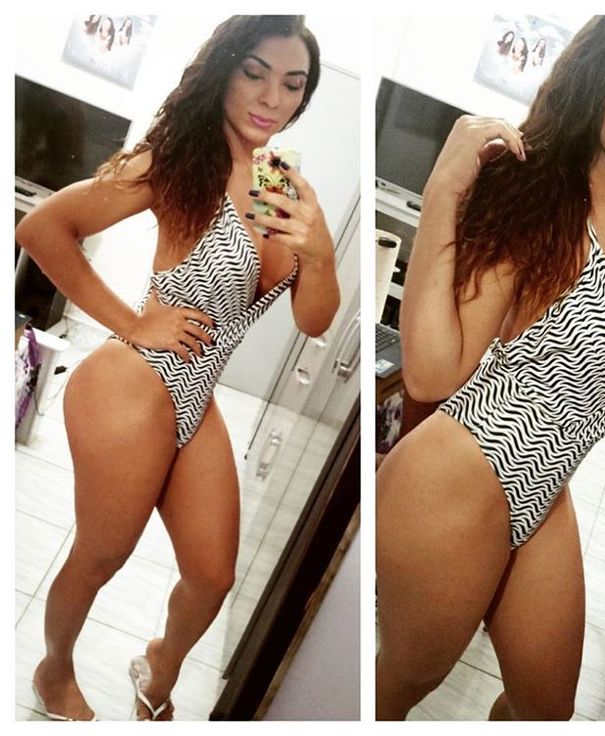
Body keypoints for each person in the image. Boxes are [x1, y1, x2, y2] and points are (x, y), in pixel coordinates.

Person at [376, 15, 605, 721]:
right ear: (596, 83)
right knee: (401, 688)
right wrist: (443, 192)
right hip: (458, 471)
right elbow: (434, 375)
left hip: (546, 487)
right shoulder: (544, 190)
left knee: (546, 710)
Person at [17, 14, 339, 721]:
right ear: (224, 70)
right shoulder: (177, 160)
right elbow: (42, 229)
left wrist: (319, 254)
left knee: (212, 575)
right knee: (102, 556)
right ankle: (53, 670)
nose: (273, 97)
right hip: (134, 381)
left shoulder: (281, 183)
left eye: (293, 84)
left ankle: (159, 662)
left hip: (199, 393)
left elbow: (314, 321)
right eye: (255, 73)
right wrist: (132, 322)